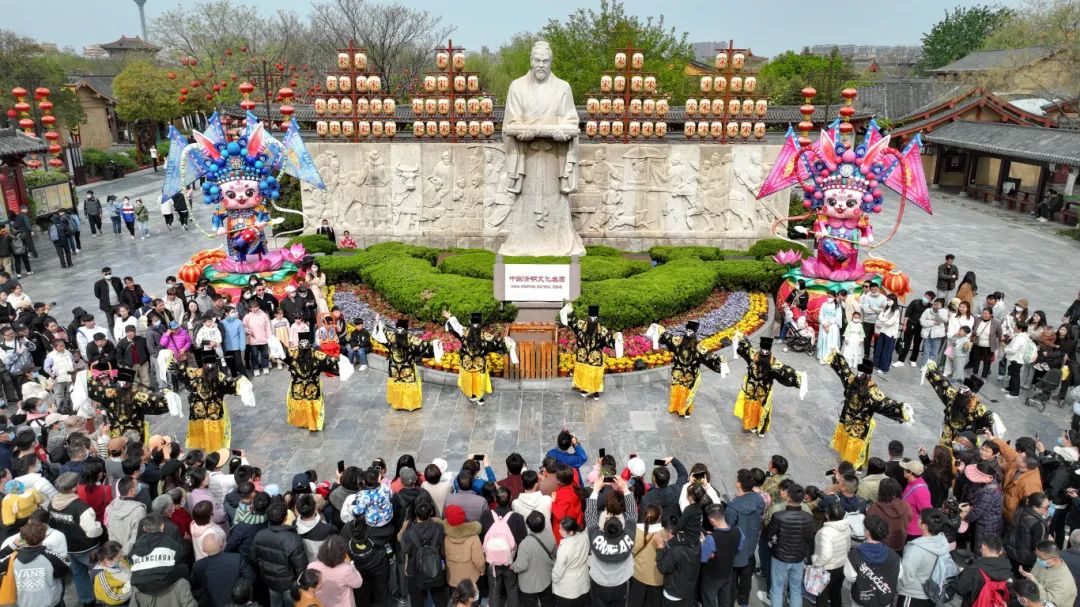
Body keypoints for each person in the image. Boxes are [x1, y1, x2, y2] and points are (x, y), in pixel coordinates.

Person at [826, 354, 914, 467]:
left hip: (857, 425)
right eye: (859, 373)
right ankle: (849, 463)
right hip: (851, 422)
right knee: (850, 443)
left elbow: (885, 403)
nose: (859, 375)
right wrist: (837, 357)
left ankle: (853, 466)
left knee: (856, 445)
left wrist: (901, 408)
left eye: (861, 374)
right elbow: (844, 371)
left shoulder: (868, 389)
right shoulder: (855, 382)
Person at [172, 349, 251, 451]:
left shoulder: (198, 373)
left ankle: (211, 447)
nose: (209, 366)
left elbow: (182, 371)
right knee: (210, 429)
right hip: (206, 409)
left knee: (211, 428)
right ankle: (212, 447)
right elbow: (231, 383)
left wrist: (241, 383)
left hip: (207, 409)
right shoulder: (215, 375)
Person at [731, 335, 804, 437]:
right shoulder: (759, 358)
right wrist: (740, 338)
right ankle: (753, 426)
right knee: (753, 406)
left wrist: (799, 377)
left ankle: (760, 429)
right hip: (753, 389)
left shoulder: (771, 362)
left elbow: (787, 372)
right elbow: (745, 347)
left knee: (762, 408)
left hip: (763, 391)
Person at [585, 476, 637, 607]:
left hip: (599, 582)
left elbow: (590, 515)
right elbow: (632, 513)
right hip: (620, 582)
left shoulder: (596, 538)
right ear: (622, 530)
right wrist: (625, 488)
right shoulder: (628, 537)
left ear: (603, 529)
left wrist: (595, 490)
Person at [87, 366, 172, 442]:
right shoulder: (135, 396)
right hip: (127, 436)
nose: (103, 381)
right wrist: (167, 393)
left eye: (105, 379)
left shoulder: (112, 394)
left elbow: (92, 388)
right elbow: (157, 404)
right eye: (101, 380)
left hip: (125, 436)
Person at [443, 311, 510, 406]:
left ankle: (479, 395)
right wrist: (450, 318)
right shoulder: (468, 332)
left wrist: (506, 342)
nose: (475, 326)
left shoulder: (478, 334)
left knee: (478, 380)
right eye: (474, 323)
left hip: (477, 364)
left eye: (477, 324)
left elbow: (496, 342)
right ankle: (472, 394)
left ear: (471, 321)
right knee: (470, 379)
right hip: (468, 363)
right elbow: (456, 326)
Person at [922, 362, 996, 446]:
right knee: (946, 448)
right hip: (950, 431)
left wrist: (932, 370)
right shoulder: (955, 395)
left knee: (958, 450)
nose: (961, 396)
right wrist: (932, 370)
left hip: (964, 436)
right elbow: (943, 382)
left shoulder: (977, 406)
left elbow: (989, 419)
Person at [252, 500, 309, 607]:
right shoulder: (293, 539)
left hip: (270, 581)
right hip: (288, 584)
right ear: (286, 518)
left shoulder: (259, 535)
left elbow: (253, 558)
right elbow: (301, 568)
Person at [765, 482, 815, 607]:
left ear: (788, 497)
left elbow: (768, 534)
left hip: (780, 557)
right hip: (798, 558)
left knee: (777, 589)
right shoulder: (809, 517)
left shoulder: (778, 516)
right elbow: (809, 538)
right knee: (796, 590)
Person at [0, 519, 69, 606]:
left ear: (22, 538)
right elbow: (63, 571)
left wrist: (13, 545)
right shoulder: (51, 557)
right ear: (44, 536)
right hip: (51, 603)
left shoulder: (12, 559)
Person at [372, 317, 436, 411]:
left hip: (394, 367)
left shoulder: (391, 336)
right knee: (408, 383)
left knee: (397, 382)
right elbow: (423, 346)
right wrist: (435, 344)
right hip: (407, 367)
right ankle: (409, 404)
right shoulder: (410, 339)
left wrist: (377, 322)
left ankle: (397, 404)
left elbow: (380, 334)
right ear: (406, 328)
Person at [559, 303, 617, 400]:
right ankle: (584, 389)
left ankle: (596, 391)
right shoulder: (581, 325)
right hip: (583, 354)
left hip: (595, 355)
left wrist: (616, 338)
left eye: (594, 318)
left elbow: (609, 340)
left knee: (595, 373)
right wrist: (568, 312)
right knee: (583, 371)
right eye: (590, 318)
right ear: (588, 317)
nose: (592, 320)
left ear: (597, 318)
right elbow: (572, 321)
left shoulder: (602, 330)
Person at [285, 338, 344, 432]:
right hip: (311, 387)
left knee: (302, 402)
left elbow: (281, 354)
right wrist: (339, 360)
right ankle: (312, 423)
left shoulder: (293, 354)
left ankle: (303, 422)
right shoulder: (317, 355)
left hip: (299, 386)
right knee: (311, 403)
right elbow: (330, 361)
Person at [897, 509, 952, 607]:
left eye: (919, 518)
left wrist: (898, 587)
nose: (917, 519)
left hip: (913, 595)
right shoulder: (943, 541)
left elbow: (906, 577)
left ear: (924, 526)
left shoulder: (915, 549)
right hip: (932, 593)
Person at [843, 515, 901, 607]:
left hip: (862, 600)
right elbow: (899, 575)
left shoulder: (854, 555)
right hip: (884, 600)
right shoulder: (894, 556)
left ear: (868, 533)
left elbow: (850, 577)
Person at [401, 497, 448, 607]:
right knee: (440, 600)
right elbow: (443, 548)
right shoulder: (439, 528)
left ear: (415, 513)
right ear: (430, 512)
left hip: (414, 570)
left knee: (417, 601)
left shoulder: (408, 533)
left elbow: (406, 551)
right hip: (436, 568)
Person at [191, 531, 254, 607]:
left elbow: (194, 584)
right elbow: (250, 577)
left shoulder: (198, 566)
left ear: (203, 549)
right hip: (235, 603)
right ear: (221, 544)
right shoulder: (236, 558)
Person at [699, 503, 740, 607]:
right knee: (725, 599)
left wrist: (704, 542)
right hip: (728, 572)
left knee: (709, 599)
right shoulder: (737, 530)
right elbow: (739, 547)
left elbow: (703, 558)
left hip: (713, 575)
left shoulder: (711, 538)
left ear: (712, 520)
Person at [307, 535, 362, 607]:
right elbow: (358, 583)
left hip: (321, 603)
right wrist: (351, 565)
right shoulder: (346, 570)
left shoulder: (311, 566)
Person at [1021, 541, 1078, 607]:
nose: (1037, 559)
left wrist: (1034, 581)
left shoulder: (1064, 582)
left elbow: (1047, 602)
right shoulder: (1044, 561)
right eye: (1037, 555)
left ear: (1054, 560)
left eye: (1040, 557)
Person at [1007, 493, 1052, 572]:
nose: (1048, 509)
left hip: (1013, 554)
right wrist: (1049, 542)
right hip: (1026, 561)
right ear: (1035, 507)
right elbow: (1039, 548)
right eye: (1046, 507)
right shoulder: (1038, 525)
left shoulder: (1020, 511)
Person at [552, 516, 590, 607]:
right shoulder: (584, 537)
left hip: (568, 587)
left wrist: (554, 579)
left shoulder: (564, 548)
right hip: (583, 580)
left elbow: (558, 570)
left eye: (562, 530)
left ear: (571, 532)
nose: (559, 531)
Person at [872, 295, 902, 374]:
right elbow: (880, 316)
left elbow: (890, 323)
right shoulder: (886, 308)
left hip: (890, 334)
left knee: (887, 351)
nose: (888, 301)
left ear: (894, 300)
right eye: (887, 299)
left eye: (889, 299)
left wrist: (883, 319)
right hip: (883, 331)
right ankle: (877, 364)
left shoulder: (896, 311)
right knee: (879, 349)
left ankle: (884, 368)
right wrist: (886, 319)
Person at [917, 298, 948, 367]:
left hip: (937, 335)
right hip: (927, 333)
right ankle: (924, 366)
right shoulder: (928, 310)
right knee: (926, 351)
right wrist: (932, 322)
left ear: (942, 305)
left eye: (938, 304)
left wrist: (939, 311)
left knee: (934, 352)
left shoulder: (944, 311)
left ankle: (930, 367)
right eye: (935, 303)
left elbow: (945, 320)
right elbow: (922, 321)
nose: (936, 305)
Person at [859, 283, 887, 359]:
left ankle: (876, 354)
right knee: (866, 338)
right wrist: (878, 310)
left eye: (876, 289)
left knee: (877, 339)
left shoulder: (883, 297)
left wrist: (873, 308)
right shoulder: (866, 297)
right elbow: (866, 310)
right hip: (867, 321)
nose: (874, 291)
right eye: (872, 290)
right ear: (870, 290)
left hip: (878, 322)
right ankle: (866, 354)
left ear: (878, 289)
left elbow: (884, 310)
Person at [818, 290, 843, 363]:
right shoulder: (824, 304)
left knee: (831, 341)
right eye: (828, 296)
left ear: (834, 297)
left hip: (832, 326)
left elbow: (838, 317)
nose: (829, 298)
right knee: (824, 340)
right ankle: (822, 357)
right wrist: (824, 324)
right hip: (824, 325)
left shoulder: (837, 306)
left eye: (830, 297)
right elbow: (821, 315)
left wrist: (829, 324)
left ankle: (830, 358)